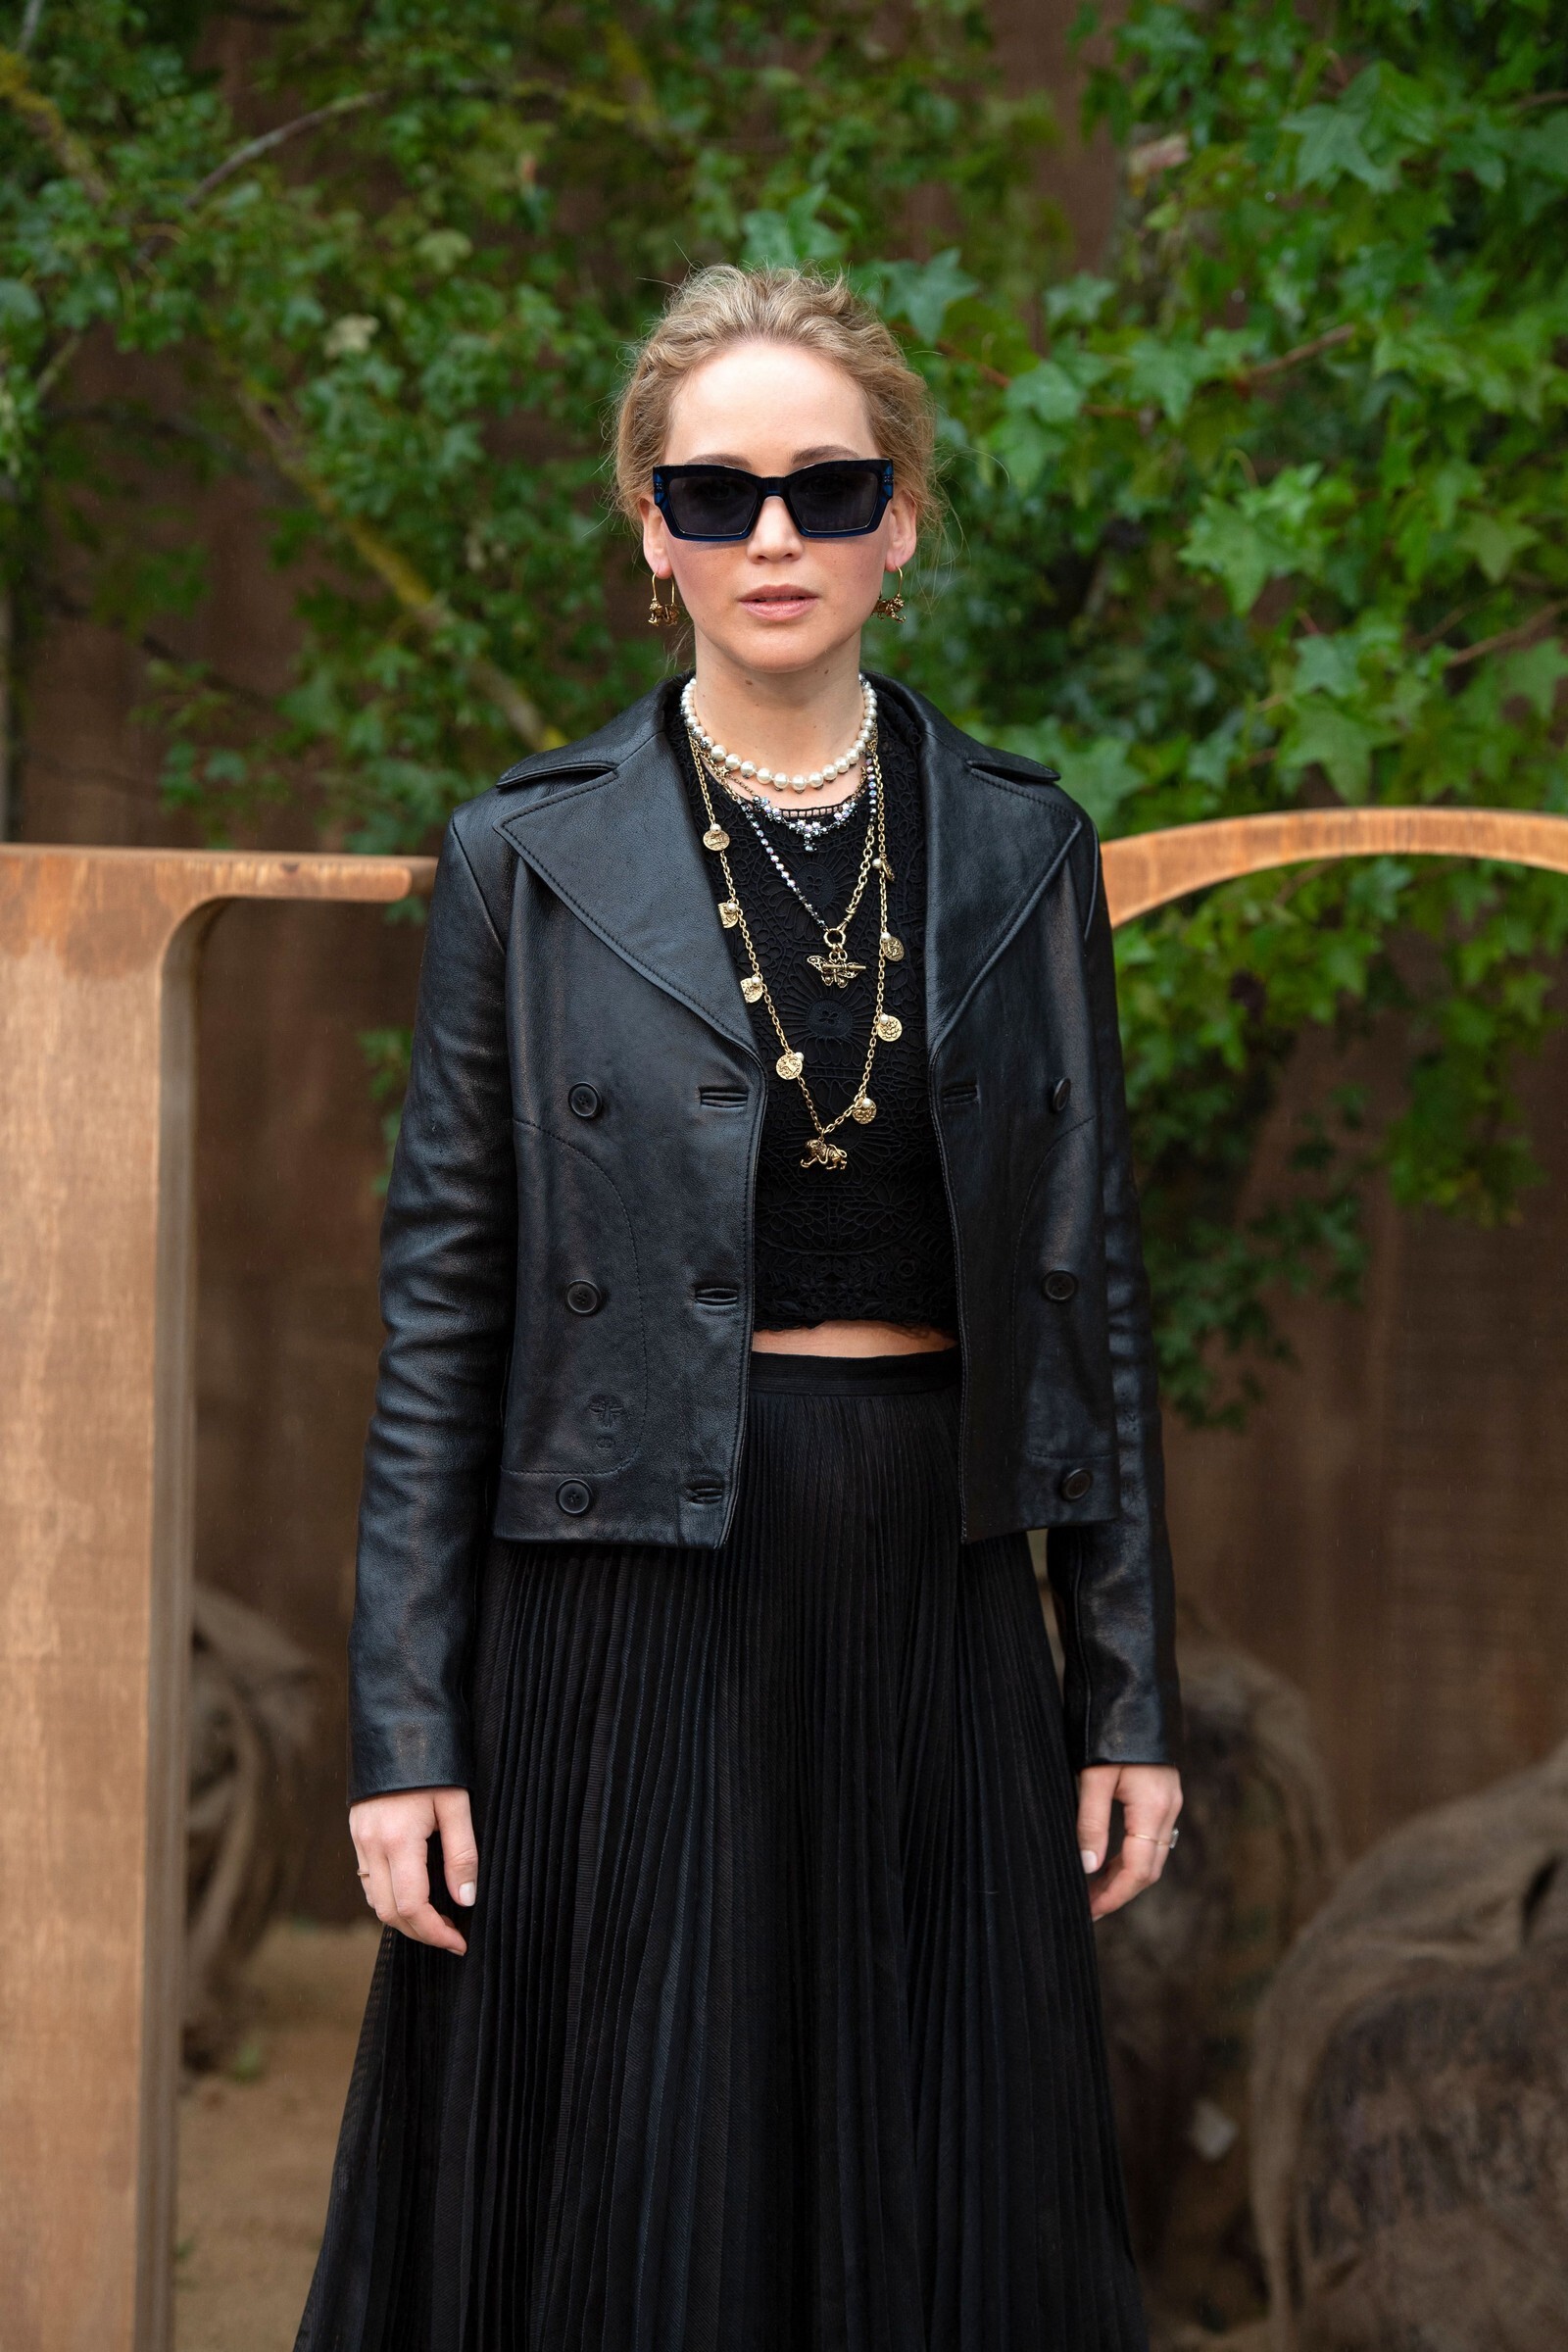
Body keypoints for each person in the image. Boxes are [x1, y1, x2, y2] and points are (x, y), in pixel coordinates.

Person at [297, 264, 1183, 2352]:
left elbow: (1092, 1286)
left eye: (824, 488)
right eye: (713, 495)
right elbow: (441, 1317)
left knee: (941, 2184)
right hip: (622, 1593)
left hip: (933, 1581)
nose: (770, 537)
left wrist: (1126, 1686)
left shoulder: (1023, 849)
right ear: (650, 532)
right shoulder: (524, 859)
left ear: (899, 520)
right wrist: (403, 1733)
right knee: (650, 2182)